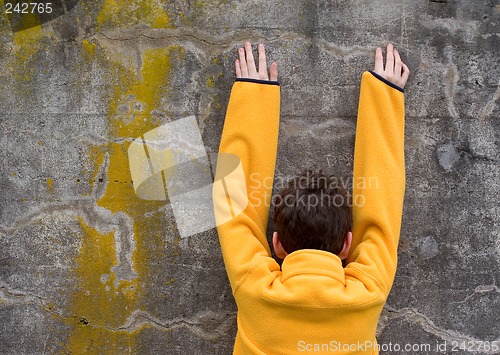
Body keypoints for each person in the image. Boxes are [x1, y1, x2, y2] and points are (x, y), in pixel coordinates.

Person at [213, 41, 409, 354]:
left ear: (277, 244)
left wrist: (253, 99)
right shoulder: (367, 293)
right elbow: (383, 204)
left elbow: (233, 208)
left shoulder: (255, 289)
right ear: (347, 244)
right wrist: (385, 95)